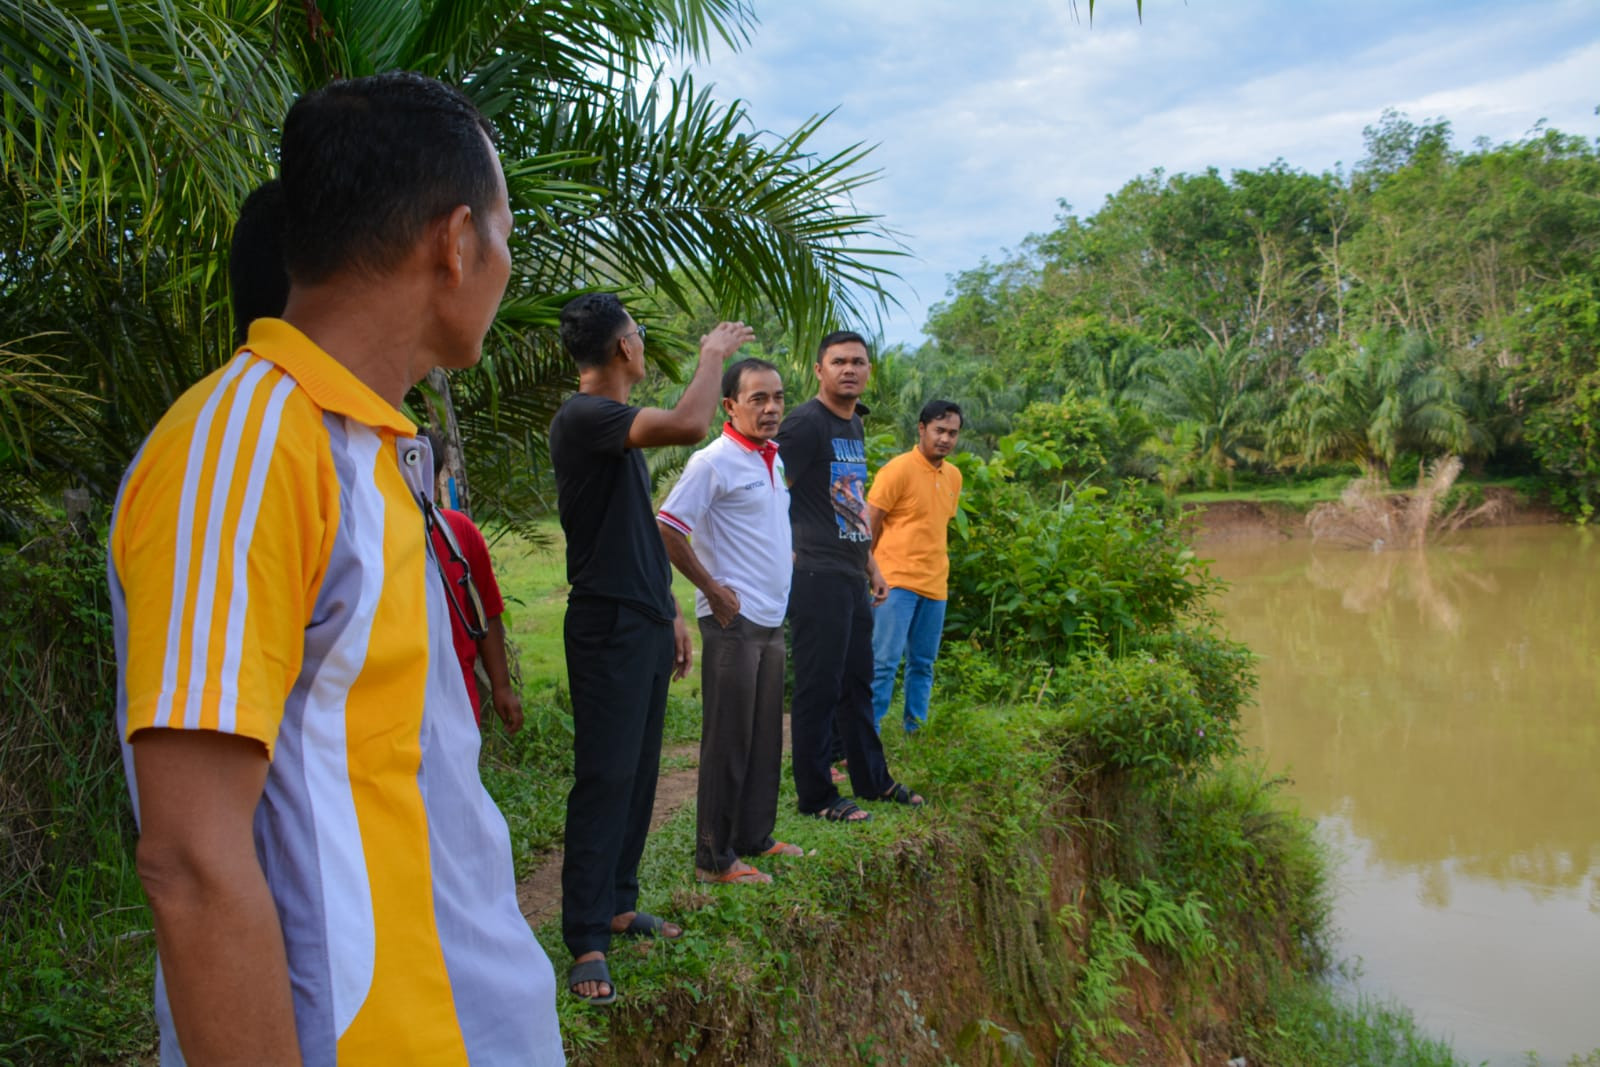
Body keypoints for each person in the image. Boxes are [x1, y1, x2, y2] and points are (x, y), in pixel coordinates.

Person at [110, 72, 563, 1064]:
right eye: (505, 235)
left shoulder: (362, 452)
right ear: (454, 243)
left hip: (462, 1021)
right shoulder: (244, 448)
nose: (505, 263)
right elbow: (190, 859)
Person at [550, 292, 754, 1004]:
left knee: (637, 771)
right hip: (605, 623)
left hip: (638, 616)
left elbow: (634, 529)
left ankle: (618, 903)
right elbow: (693, 422)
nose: (641, 342)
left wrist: (668, 608)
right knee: (605, 775)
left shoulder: (612, 430)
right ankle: (586, 937)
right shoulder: (585, 415)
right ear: (623, 348)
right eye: (637, 333)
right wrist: (712, 354)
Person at [657, 358, 803, 887]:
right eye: (758, 399)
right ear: (730, 406)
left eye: (778, 398)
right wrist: (712, 590)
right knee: (728, 739)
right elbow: (668, 527)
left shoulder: (771, 459)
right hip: (732, 622)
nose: (771, 408)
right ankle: (713, 858)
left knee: (764, 736)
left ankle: (754, 836)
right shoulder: (713, 461)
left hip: (770, 618)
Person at [778, 330, 925, 823]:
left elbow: (849, 500)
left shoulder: (853, 424)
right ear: (818, 370)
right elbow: (770, 490)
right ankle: (817, 796)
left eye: (857, 362)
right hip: (814, 571)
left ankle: (872, 780)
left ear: (868, 371)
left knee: (857, 683)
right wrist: (783, 551)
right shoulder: (805, 425)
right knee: (818, 687)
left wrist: (871, 564)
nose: (849, 369)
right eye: (838, 361)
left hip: (849, 572)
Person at [867, 400, 965, 733]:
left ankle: (915, 731)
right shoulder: (897, 470)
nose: (945, 439)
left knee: (923, 664)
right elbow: (871, 522)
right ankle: (868, 735)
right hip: (894, 582)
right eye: (939, 430)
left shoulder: (953, 476)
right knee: (883, 663)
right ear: (922, 429)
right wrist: (870, 572)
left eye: (952, 433)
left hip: (935, 585)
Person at [421, 428, 524, 735]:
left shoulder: (457, 532)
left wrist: (502, 686)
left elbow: (487, 611)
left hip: (458, 697)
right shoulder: (371, 539)